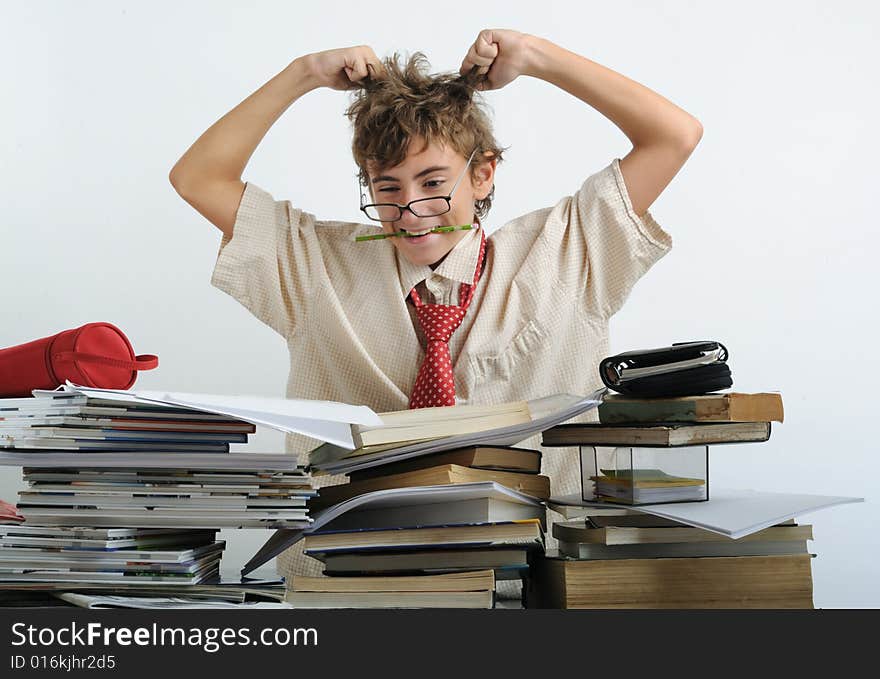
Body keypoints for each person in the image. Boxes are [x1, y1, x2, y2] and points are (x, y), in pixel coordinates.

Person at [169, 29, 702, 580]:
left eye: (433, 182)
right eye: (387, 187)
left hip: (529, 582)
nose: (411, 211)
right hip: (346, 591)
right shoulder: (315, 265)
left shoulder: (566, 252)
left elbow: (675, 136)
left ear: (482, 174)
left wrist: (538, 58)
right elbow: (196, 178)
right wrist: (302, 72)